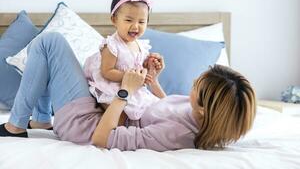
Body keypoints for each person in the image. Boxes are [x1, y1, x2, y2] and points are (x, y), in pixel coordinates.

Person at [0, 29, 256, 151]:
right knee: (44, 48)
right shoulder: (200, 115)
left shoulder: (176, 135)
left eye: (197, 86)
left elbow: (102, 139)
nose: (192, 85)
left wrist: (125, 91)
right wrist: (153, 81)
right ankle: (43, 121)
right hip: (101, 107)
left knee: (48, 42)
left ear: (203, 106)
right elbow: (166, 110)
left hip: (89, 125)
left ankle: (16, 126)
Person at [84, 0, 164, 120]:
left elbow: (139, 68)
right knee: (120, 117)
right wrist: (129, 76)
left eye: (141, 21)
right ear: (114, 20)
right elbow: (107, 71)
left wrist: (148, 67)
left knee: (152, 111)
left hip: (134, 90)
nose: (135, 26)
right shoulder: (112, 45)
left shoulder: (141, 46)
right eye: (128, 20)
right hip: (112, 88)